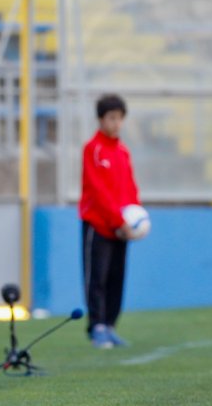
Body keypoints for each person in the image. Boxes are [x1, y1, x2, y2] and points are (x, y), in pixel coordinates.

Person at [79, 93, 142, 349]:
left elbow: (129, 187)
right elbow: (98, 191)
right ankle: (97, 327)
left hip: (122, 228)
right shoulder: (93, 149)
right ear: (101, 119)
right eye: (111, 118)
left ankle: (111, 325)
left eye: (120, 118)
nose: (116, 123)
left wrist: (135, 213)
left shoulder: (123, 152)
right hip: (99, 225)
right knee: (98, 277)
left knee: (117, 277)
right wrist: (118, 219)